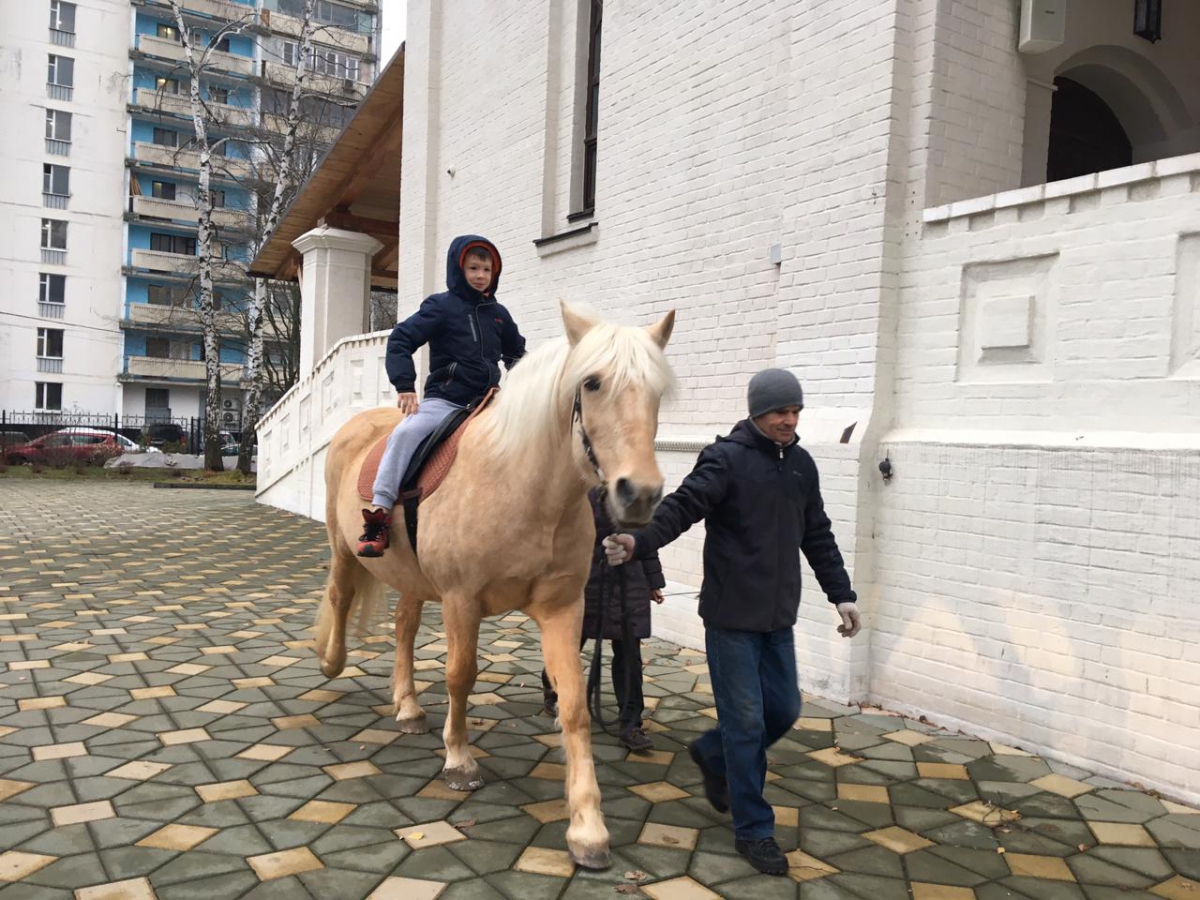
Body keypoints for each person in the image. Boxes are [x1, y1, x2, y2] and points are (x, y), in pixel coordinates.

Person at [603, 368, 862, 876]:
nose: (790, 420)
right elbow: (681, 508)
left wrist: (842, 595)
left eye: (796, 411)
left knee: (782, 710)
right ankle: (754, 829)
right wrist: (637, 542)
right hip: (731, 616)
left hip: (777, 616)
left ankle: (712, 754)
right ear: (757, 411)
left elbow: (817, 533)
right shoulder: (725, 459)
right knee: (745, 724)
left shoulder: (801, 465)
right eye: (780, 411)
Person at [358, 235, 526, 557]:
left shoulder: (499, 314)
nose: (480, 275)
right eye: (473, 268)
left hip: (488, 402)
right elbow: (401, 340)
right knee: (406, 433)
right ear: (458, 269)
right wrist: (405, 385)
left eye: (486, 270)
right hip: (446, 401)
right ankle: (379, 515)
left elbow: (517, 355)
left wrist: (526, 385)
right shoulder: (441, 307)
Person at [540, 487, 666, 752]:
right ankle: (552, 689)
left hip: (629, 582)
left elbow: (646, 538)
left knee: (629, 657)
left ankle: (631, 724)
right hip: (585, 581)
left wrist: (653, 581)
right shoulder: (579, 486)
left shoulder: (635, 490)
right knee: (569, 645)